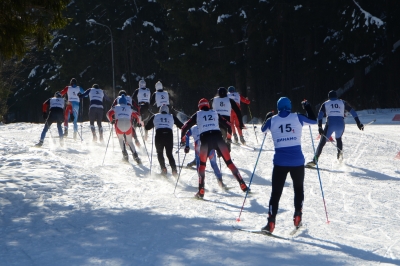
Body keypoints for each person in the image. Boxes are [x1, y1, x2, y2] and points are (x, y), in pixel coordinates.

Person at [260, 97, 317, 233]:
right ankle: (298, 216)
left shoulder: (272, 120)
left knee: (275, 194)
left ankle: (271, 223)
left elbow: (263, 129)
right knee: (298, 189)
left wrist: (267, 117)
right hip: (297, 161)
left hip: (280, 162)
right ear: (290, 106)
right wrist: (307, 106)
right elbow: (314, 120)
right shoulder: (297, 117)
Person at [180, 98, 249, 199]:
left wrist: (182, 140)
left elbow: (184, 127)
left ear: (199, 106)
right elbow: (229, 125)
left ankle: (201, 191)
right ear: (208, 105)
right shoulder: (215, 113)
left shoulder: (197, 114)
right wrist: (228, 139)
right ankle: (243, 185)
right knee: (229, 163)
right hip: (218, 139)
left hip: (205, 141)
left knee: (202, 166)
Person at [306, 90, 364, 167]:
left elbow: (320, 115)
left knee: (322, 142)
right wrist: (358, 123)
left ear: (329, 97)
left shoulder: (326, 103)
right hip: (341, 124)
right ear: (336, 96)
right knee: (339, 139)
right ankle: (340, 154)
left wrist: (320, 127)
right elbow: (352, 111)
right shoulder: (342, 102)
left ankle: (315, 160)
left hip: (330, 123)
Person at [145, 105, 183, 177]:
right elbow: (181, 125)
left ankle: (163, 169)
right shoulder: (171, 116)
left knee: (160, 153)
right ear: (167, 111)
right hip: (169, 135)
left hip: (159, 135)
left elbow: (147, 127)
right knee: (169, 154)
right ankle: (174, 170)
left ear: (160, 110)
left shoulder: (155, 116)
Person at [106, 95, 142, 164]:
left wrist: (111, 120)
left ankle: (125, 155)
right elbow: (138, 115)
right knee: (130, 141)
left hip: (119, 123)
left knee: (120, 139)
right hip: (128, 124)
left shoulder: (115, 107)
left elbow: (108, 114)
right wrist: (138, 122)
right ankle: (136, 156)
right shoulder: (129, 107)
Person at [210, 87, 245, 151]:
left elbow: (206, 109)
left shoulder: (213, 100)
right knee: (229, 128)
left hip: (216, 120)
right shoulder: (230, 100)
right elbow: (238, 112)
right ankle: (228, 141)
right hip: (226, 120)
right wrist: (241, 123)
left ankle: (216, 146)